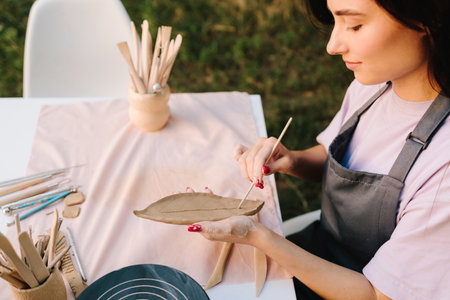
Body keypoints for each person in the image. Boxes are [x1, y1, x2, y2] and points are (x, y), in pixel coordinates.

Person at [187, 0, 450, 299]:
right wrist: (292, 160)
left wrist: (258, 237)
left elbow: (379, 295)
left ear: (428, 20)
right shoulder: (372, 85)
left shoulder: (444, 167)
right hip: (318, 250)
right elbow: (344, 159)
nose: (332, 45)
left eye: (355, 25)